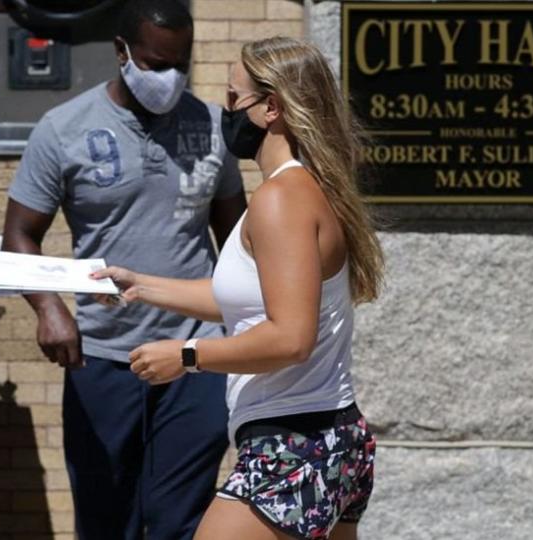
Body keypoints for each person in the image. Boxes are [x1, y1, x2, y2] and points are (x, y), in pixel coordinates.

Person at [91, 37, 384, 540]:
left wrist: (186, 355)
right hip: (328, 440)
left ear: (271, 108)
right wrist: (141, 286)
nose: (224, 111)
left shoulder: (281, 200)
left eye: (233, 98)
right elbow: (247, 300)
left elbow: (290, 338)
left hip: (295, 445)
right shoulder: (304, 189)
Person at [1, 0, 247, 537]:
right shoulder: (63, 129)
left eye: (180, 64)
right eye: (156, 65)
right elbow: (20, 234)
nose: (170, 78)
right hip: (104, 356)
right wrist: (49, 309)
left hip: (194, 357)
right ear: (121, 53)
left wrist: (248, 327)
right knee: (107, 515)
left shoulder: (211, 129)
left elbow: (238, 242)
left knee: (178, 517)